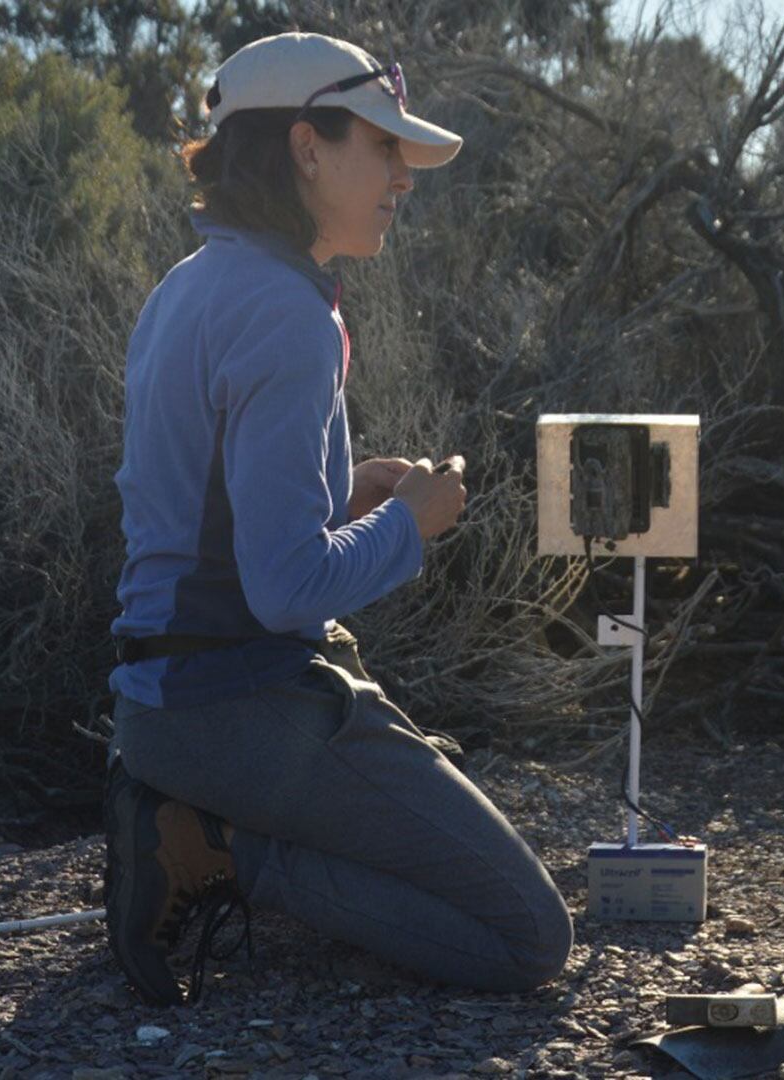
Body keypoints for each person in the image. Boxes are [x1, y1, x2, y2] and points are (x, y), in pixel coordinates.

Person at [104, 32, 573, 1006]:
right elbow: (283, 591)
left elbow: (194, 519)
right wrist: (411, 522)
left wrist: (342, 493)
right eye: (384, 148)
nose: (404, 178)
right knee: (527, 937)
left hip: (158, 708)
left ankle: (189, 813)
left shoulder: (187, 289)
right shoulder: (288, 315)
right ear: (306, 147)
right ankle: (217, 850)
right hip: (238, 706)